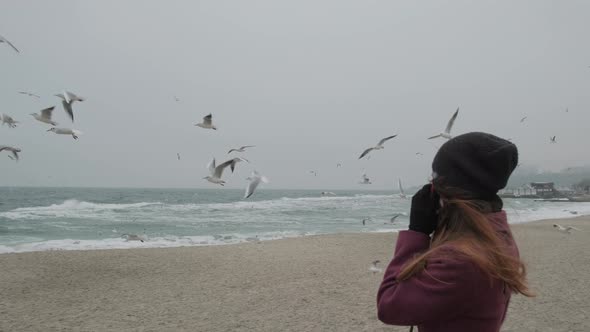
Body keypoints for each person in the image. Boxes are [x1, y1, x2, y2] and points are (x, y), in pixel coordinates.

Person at [377, 132, 533, 332]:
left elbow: (389, 306)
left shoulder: (461, 261)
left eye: (434, 178)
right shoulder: (497, 235)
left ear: (444, 189)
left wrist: (417, 232)